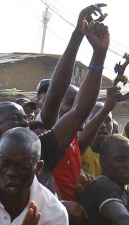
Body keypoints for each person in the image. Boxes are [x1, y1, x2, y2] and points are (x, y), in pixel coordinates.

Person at [39, 4, 111, 200]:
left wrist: (100, 52)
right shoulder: (45, 132)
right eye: (68, 102)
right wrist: (78, 35)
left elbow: (82, 109)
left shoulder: (73, 140)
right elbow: (56, 94)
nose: (74, 108)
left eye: (75, 102)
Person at [79, 54, 129, 178]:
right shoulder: (79, 150)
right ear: (84, 124)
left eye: (107, 120)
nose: (103, 125)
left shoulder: (120, 148)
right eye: (96, 118)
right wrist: (106, 108)